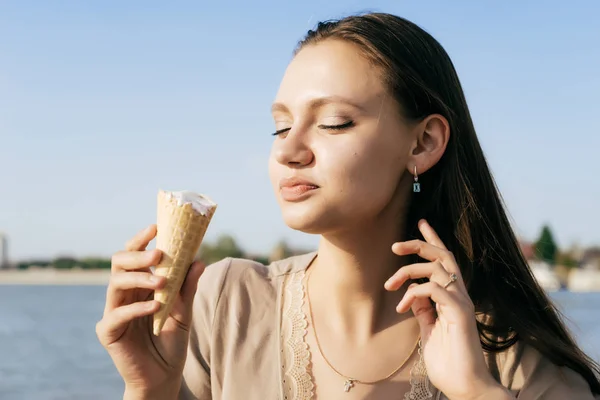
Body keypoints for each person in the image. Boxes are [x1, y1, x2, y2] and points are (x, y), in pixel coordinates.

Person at [96, 12, 600, 400]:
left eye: (334, 122)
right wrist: (149, 388)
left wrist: (474, 390)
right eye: (280, 125)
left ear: (423, 143)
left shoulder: (510, 357)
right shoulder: (227, 303)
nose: (287, 151)